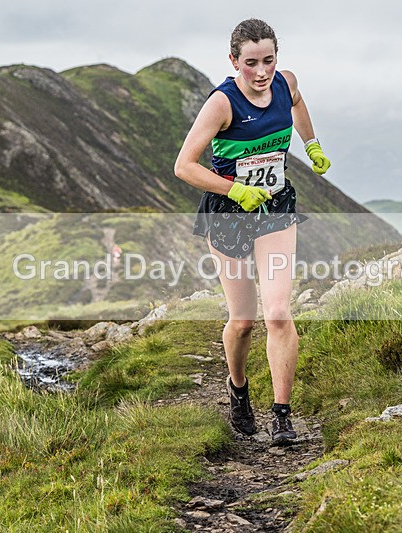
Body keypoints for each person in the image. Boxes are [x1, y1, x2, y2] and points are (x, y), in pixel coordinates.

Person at [174, 18, 331, 446]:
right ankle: (238, 390)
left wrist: (311, 142)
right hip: (228, 213)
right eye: (250, 63)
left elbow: (297, 102)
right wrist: (235, 189)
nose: (261, 72)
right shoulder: (221, 104)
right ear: (233, 61)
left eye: (268, 61)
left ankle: (282, 416)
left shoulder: (286, 83)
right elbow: (184, 166)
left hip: (276, 209)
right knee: (243, 321)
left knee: (278, 312)